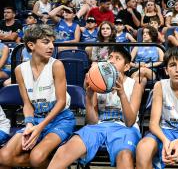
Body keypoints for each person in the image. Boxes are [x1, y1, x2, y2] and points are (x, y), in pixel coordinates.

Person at [47, 46, 147, 169]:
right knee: (66, 149)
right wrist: (89, 97)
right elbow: (92, 121)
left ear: (126, 67)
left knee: (125, 157)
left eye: (117, 58)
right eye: (110, 57)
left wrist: (122, 94)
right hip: (98, 125)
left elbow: (130, 122)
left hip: (124, 127)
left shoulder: (134, 85)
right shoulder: (97, 82)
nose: (111, 61)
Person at [0, 24, 76, 168]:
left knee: (36, 158)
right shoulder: (19, 70)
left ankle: (57, 163)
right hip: (35, 119)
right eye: (46, 42)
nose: (51, 46)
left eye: (52, 42)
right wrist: (29, 123)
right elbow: (27, 104)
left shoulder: (56, 65)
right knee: (3, 157)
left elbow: (61, 102)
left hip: (60, 119)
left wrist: (39, 128)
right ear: (31, 45)